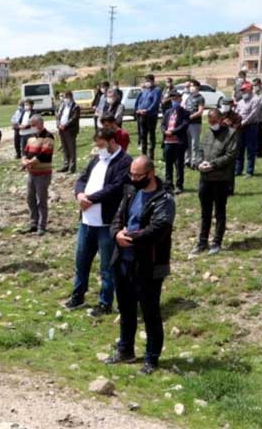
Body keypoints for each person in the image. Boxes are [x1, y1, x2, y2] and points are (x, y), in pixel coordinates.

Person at [104, 155, 175, 375]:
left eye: (138, 175)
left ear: (150, 174)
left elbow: (158, 229)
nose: (133, 178)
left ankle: (152, 358)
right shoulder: (130, 192)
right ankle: (125, 349)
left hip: (149, 265)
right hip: (123, 261)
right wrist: (117, 234)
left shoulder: (164, 200)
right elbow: (117, 217)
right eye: (131, 175)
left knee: (150, 312)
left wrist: (131, 237)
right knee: (126, 309)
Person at [66, 129, 133, 313]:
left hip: (106, 224)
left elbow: (116, 188)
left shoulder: (124, 161)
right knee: (81, 262)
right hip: (87, 222)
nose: (99, 149)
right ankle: (77, 297)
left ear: (112, 142)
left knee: (107, 267)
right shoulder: (96, 159)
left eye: (101, 145)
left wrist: (91, 199)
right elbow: (82, 179)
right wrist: (80, 194)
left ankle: (105, 303)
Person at [191, 109, 237, 256]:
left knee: (219, 211)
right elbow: (199, 150)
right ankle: (202, 241)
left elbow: (230, 155)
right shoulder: (207, 133)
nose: (213, 125)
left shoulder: (231, 134)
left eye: (215, 121)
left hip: (220, 180)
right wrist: (198, 163)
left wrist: (213, 164)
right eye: (210, 122)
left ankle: (216, 242)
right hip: (205, 179)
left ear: (221, 119)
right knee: (205, 212)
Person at [21, 115, 54, 235]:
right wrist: (24, 160)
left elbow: (45, 154)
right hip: (31, 173)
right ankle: (33, 223)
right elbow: (25, 151)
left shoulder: (48, 136)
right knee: (30, 198)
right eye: (31, 124)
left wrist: (29, 162)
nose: (32, 127)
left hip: (43, 173)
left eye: (34, 124)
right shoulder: (30, 137)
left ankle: (42, 225)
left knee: (42, 200)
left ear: (41, 123)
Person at [160, 90, 190, 194]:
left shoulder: (185, 112)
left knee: (179, 164)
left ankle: (179, 185)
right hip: (168, 142)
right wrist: (165, 131)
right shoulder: (168, 112)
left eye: (176, 99)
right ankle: (169, 184)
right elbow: (163, 124)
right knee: (168, 164)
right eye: (172, 99)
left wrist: (172, 132)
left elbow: (184, 125)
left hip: (178, 142)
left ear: (180, 99)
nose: (174, 100)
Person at [235, 82, 260, 177]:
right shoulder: (241, 101)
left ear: (250, 90)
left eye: (244, 90)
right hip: (240, 127)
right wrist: (236, 122)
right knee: (239, 148)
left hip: (251, 126)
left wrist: (244, 122)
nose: (242, 92)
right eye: (241, 90)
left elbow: (253, 114)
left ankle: (249, 171)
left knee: (250, 149)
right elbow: (237, 112)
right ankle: (238, 169)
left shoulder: (255, 99)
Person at [134, 74, 162, 159]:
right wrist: (139, 109)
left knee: (151, 134)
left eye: (149, 81)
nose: (147, 83)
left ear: (153, 81)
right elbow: (140, 101)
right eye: (146, 81)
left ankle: (151, 154)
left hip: (151, 115)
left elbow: (155, 102)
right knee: (143, 134)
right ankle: (143, 153)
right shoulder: (144, 91)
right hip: (142, 115)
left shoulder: (157, 90)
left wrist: (147, 110)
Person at [56, 90, 81, 173]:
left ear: (71, 97)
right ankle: (65, 165)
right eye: (64, 97)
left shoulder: (75, 106)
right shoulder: (63, 105)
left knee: (71, 149)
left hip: (70, 130)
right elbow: (59, 116)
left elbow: (74, 118)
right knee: (65, 148)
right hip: (61, 130)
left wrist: (65, 125)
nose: (65, 99)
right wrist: (59, 124)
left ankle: (72, 167)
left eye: (66, 97)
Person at [184, 80, 206, 167]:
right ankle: (187, 160)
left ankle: (195, 161)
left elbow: (200, 111)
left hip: (195, 123)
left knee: (194, 144)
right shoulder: (189, 97)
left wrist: (192, 116)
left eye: (192, 86)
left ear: (197, 87)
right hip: (187, 123)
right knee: (187, 143)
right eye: (190, 86)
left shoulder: (200, 98)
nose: (191, 87)